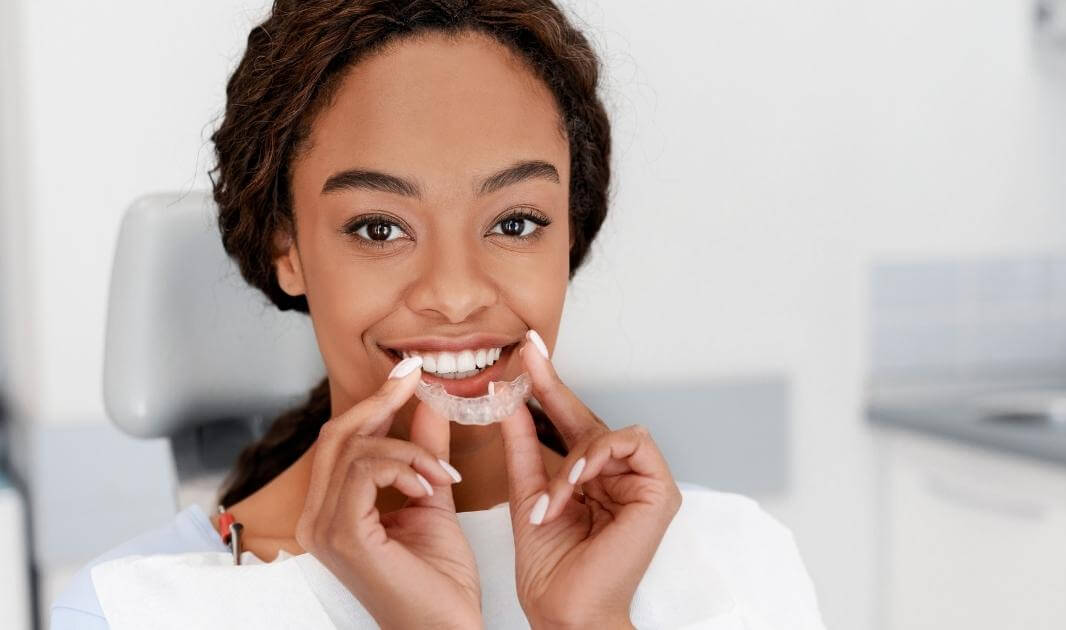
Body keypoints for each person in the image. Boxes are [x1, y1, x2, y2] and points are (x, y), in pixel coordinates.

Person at [51, 1, 826, 627]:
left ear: (571, 233)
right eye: (379, 228)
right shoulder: (134, 609)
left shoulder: (735, 562)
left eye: (515, 222)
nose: (455, 294)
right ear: (287, 245)